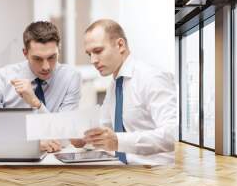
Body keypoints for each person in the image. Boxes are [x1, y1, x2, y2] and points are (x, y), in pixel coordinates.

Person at [71, 19, 177, 164]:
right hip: (124, 170)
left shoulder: (151, 77)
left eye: (98, 51)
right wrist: (84, 136)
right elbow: (104, 125)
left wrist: (118, 140)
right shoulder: (115, 84)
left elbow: (172, 135)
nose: (93, 60)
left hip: (156, 175)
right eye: (89, 54)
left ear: (120, 45)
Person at [0, 21, 81, 153]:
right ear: (25, 53)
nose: (46, 67)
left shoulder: (70, 77)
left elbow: (65, 133)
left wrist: (36, 103)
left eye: (52, 57)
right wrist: (31, 144)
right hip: (13, 158)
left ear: (59, 50)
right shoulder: (2, 78)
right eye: (38, 59)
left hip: (57, 161)